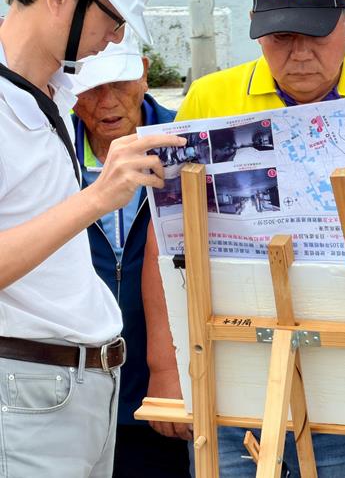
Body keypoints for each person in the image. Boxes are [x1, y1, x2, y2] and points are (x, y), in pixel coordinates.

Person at [142, 0, 345, 477]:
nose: (299, 55)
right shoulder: (210, 100)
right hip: (231, 380)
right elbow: (164, 241)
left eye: (315, 34)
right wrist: (166, 368)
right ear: (255, 32)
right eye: (280, 38)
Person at [0, 0, 183, 475]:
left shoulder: (46, 92)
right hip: (31, 392)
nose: (119, 36)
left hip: (72, 390)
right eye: (114, 17)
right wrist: (101, 196)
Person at [71, 35, 190, 477]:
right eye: (90, 87)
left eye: (119, 83)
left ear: (143, 71)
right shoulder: (51, 150)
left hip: (170, 389)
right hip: (72, 392)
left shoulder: (189, 142)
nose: (107, 102)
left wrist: (174, 370)